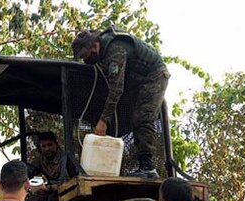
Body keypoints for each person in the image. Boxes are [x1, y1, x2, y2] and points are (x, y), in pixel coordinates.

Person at [72, 25, 171, 179]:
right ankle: (144, 166)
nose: (85, 60)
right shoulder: (104, 52)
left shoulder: (115, 49)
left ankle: (148, 168)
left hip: (154, 76)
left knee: (143, 118)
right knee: (135, 117)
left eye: (85, 55)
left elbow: (116, 88)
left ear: (94, 45)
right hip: (138, 81)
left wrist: (104, 119)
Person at [25, 131, 78, 201]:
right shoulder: (41, 160)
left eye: (50, 145)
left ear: (56, 144)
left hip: (65, 194)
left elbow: (72, 181)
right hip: (48, 193)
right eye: (43, 146)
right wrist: (23, 178)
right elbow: (30, 170)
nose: (47, 149)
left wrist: (49, 188)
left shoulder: (65, 159)